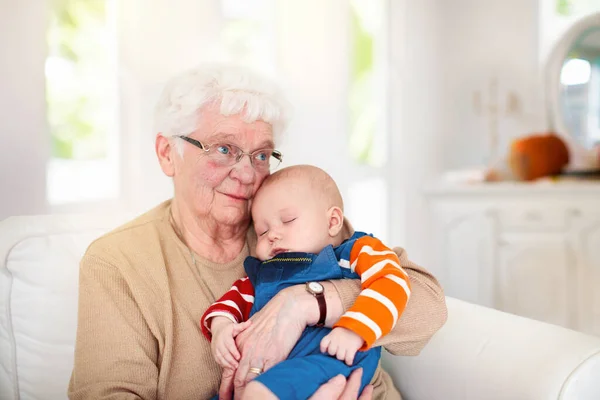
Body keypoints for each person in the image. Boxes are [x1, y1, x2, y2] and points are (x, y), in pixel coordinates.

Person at [68, 64, 448, 400]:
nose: (248, 174)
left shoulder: (295, 227)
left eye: (262, 155)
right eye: (223, 149)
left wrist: (305, 303)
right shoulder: (117, 263)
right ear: (168, 153)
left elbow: (427, 308)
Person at [201, 165, 412, 399]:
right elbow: (232, 300)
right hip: (269, 371)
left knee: (262, 391)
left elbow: (391, 282)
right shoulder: (265, 273)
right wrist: (221, 328)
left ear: (333, 221)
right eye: (262, 231)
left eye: (288, 220)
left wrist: (355, 330)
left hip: (332, 357)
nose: (272, 235)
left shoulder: (357, 252)